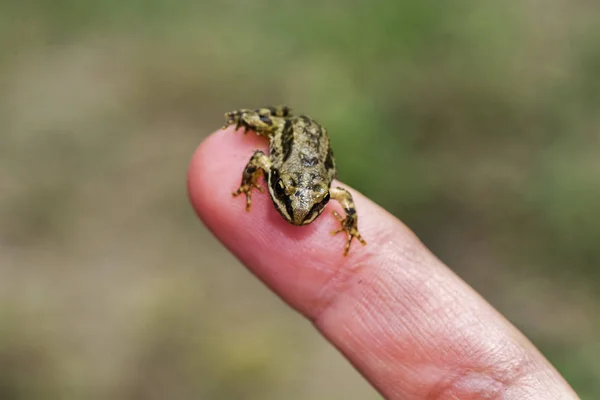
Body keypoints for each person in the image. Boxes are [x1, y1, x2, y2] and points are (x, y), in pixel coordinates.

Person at [187, 127, 580, 399]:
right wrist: (245, 182)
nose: (300, 216)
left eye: (318, 204)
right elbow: (258, 156)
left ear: (326, 194)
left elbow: (346, 201)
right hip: (293, 141)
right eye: (290, 201)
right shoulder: (271, 166)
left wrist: (351, 227)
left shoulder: (332, 196)